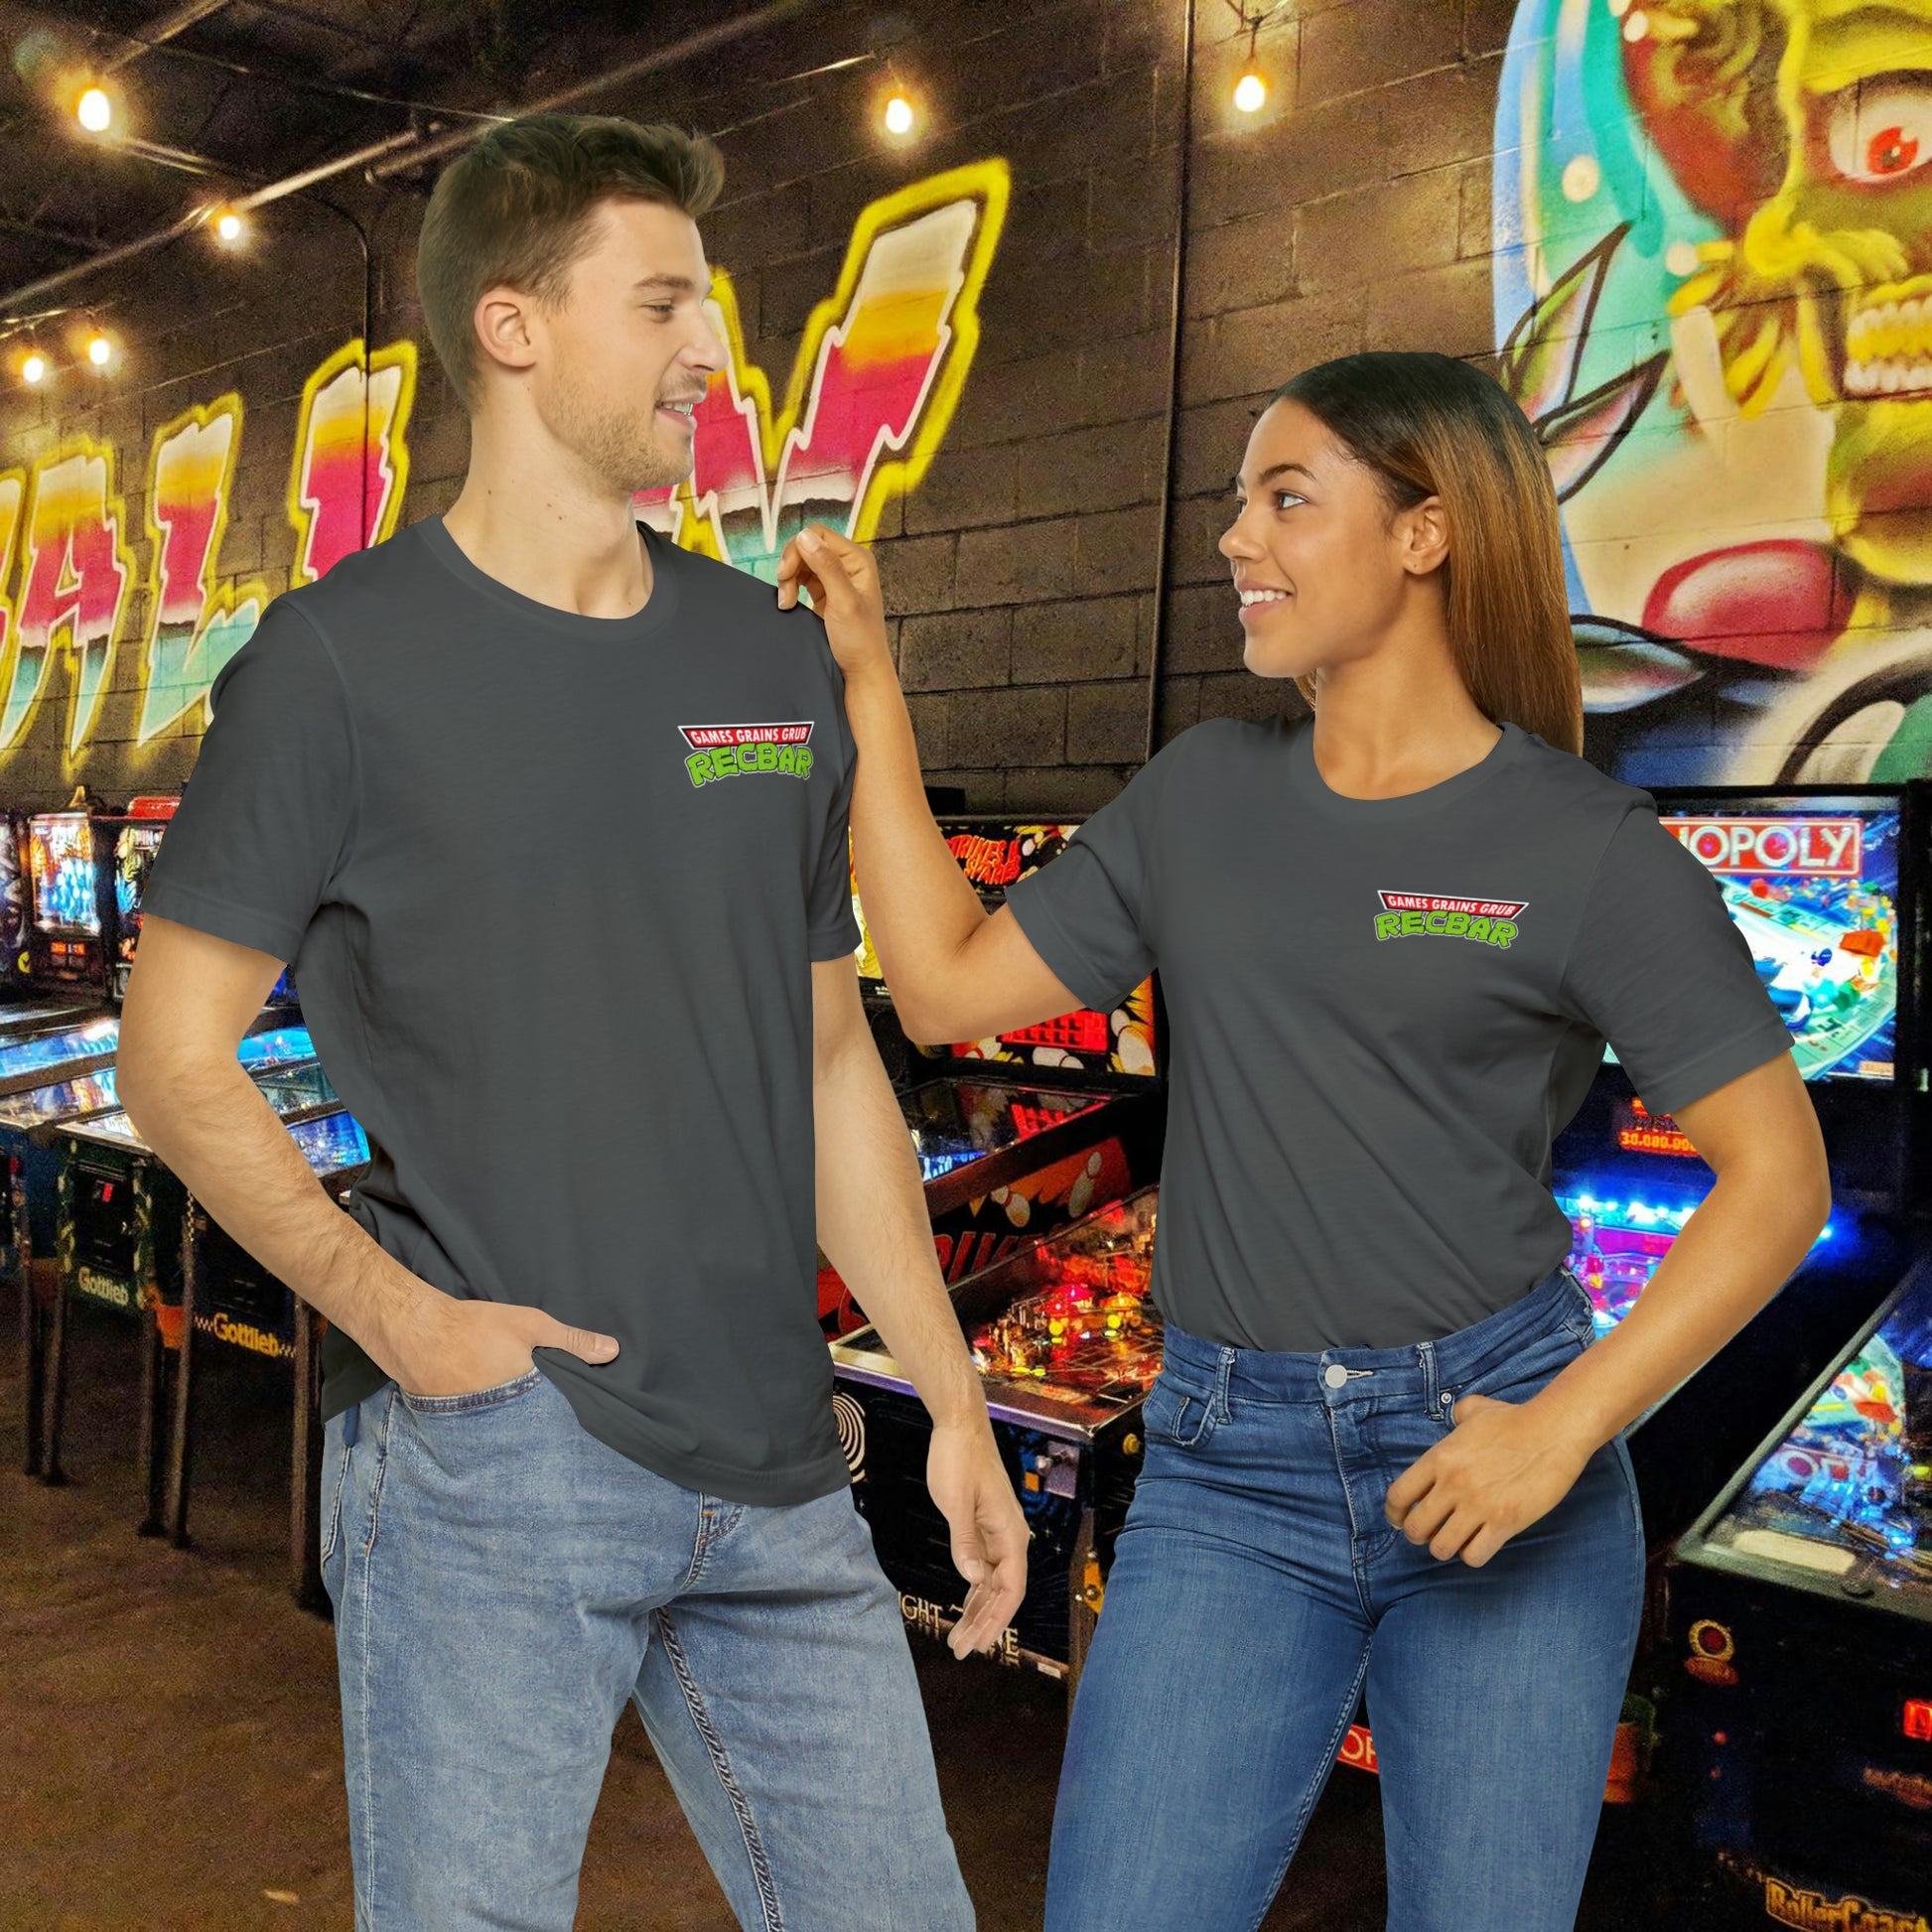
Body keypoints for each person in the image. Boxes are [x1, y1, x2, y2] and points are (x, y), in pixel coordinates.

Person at [775, 349, 1832, 1931]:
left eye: (1285, 497)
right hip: (1226, 1469)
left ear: (1423, 532)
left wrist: (1559, 1429)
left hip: (1496, 1455)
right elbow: (938, 986)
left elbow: (1780, 1177)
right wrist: (869, 683)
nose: (1235, 538)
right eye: (1237, 501)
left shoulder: (1583, 846)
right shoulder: (1205, 793)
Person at [117, 112, 1027, 1932]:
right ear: (514, 326)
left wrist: (948, 1392)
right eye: (664, 304)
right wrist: (399, 1316)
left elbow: (827, 1056)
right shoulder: (335, 662)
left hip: (782, 1452)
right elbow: (171, 1054)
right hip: (496, 1455)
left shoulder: (768, 660)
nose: (710, 352)